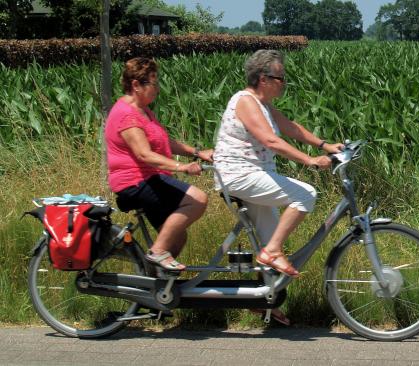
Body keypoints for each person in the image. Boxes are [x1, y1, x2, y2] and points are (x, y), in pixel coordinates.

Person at [213, 49, 344, 279]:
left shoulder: (263, 105)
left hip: (254, 174)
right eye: (280, 78)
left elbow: (290, 127)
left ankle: (264, 303)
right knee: (306, 194)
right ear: (263, 79)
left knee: (269, 237)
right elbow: (270, 140)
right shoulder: (245, 101)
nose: (284, 83)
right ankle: (272, 252)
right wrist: (309, 161)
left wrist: (325, 145)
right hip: (239, 175)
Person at [105, 57, 212, 271]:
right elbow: (144, 154)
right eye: (154, 84)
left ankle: (156, 289)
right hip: (136, 181)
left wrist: (197, 152)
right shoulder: (126, 114)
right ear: (136, 85)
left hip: (148, 178)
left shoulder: (142, 110)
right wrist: (182, 167)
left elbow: (162, 141)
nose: (158, 89)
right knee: (198, 199)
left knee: (177, 238)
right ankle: (157, 251)